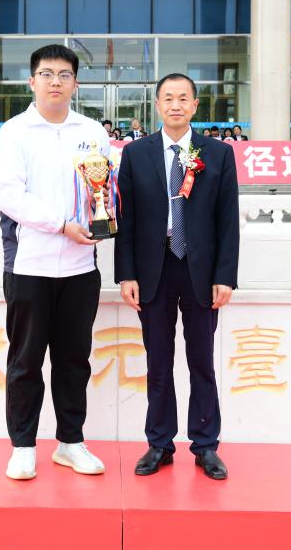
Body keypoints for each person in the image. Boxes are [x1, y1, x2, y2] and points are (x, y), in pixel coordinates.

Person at [0, 44, 109, 482]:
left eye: (64, 74)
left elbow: (103, 187)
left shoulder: (92, 132)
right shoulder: (15, 132)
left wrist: (105, 215)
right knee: (25, 361)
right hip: (29, 265)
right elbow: (9, 195)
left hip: (80, 267)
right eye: (46, 74)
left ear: (75, 83)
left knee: (74, 359)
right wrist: (60, 225)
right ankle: (23, 446)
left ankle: (70, 443)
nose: (55, 81)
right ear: (32, 81)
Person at [114, 72, 238, 481]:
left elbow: (228, 220)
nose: (176, 105)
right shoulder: (137, 154)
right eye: (168, 98)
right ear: (157, 104)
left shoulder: (217, 153)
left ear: (195, 105)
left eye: (183, 98)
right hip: (154, 268)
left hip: (201, 270)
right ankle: (159, 443)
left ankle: (205, 446)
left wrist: (225, 276)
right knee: (158, 361)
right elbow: (127, 218)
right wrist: (126, 274)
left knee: (202, 360)